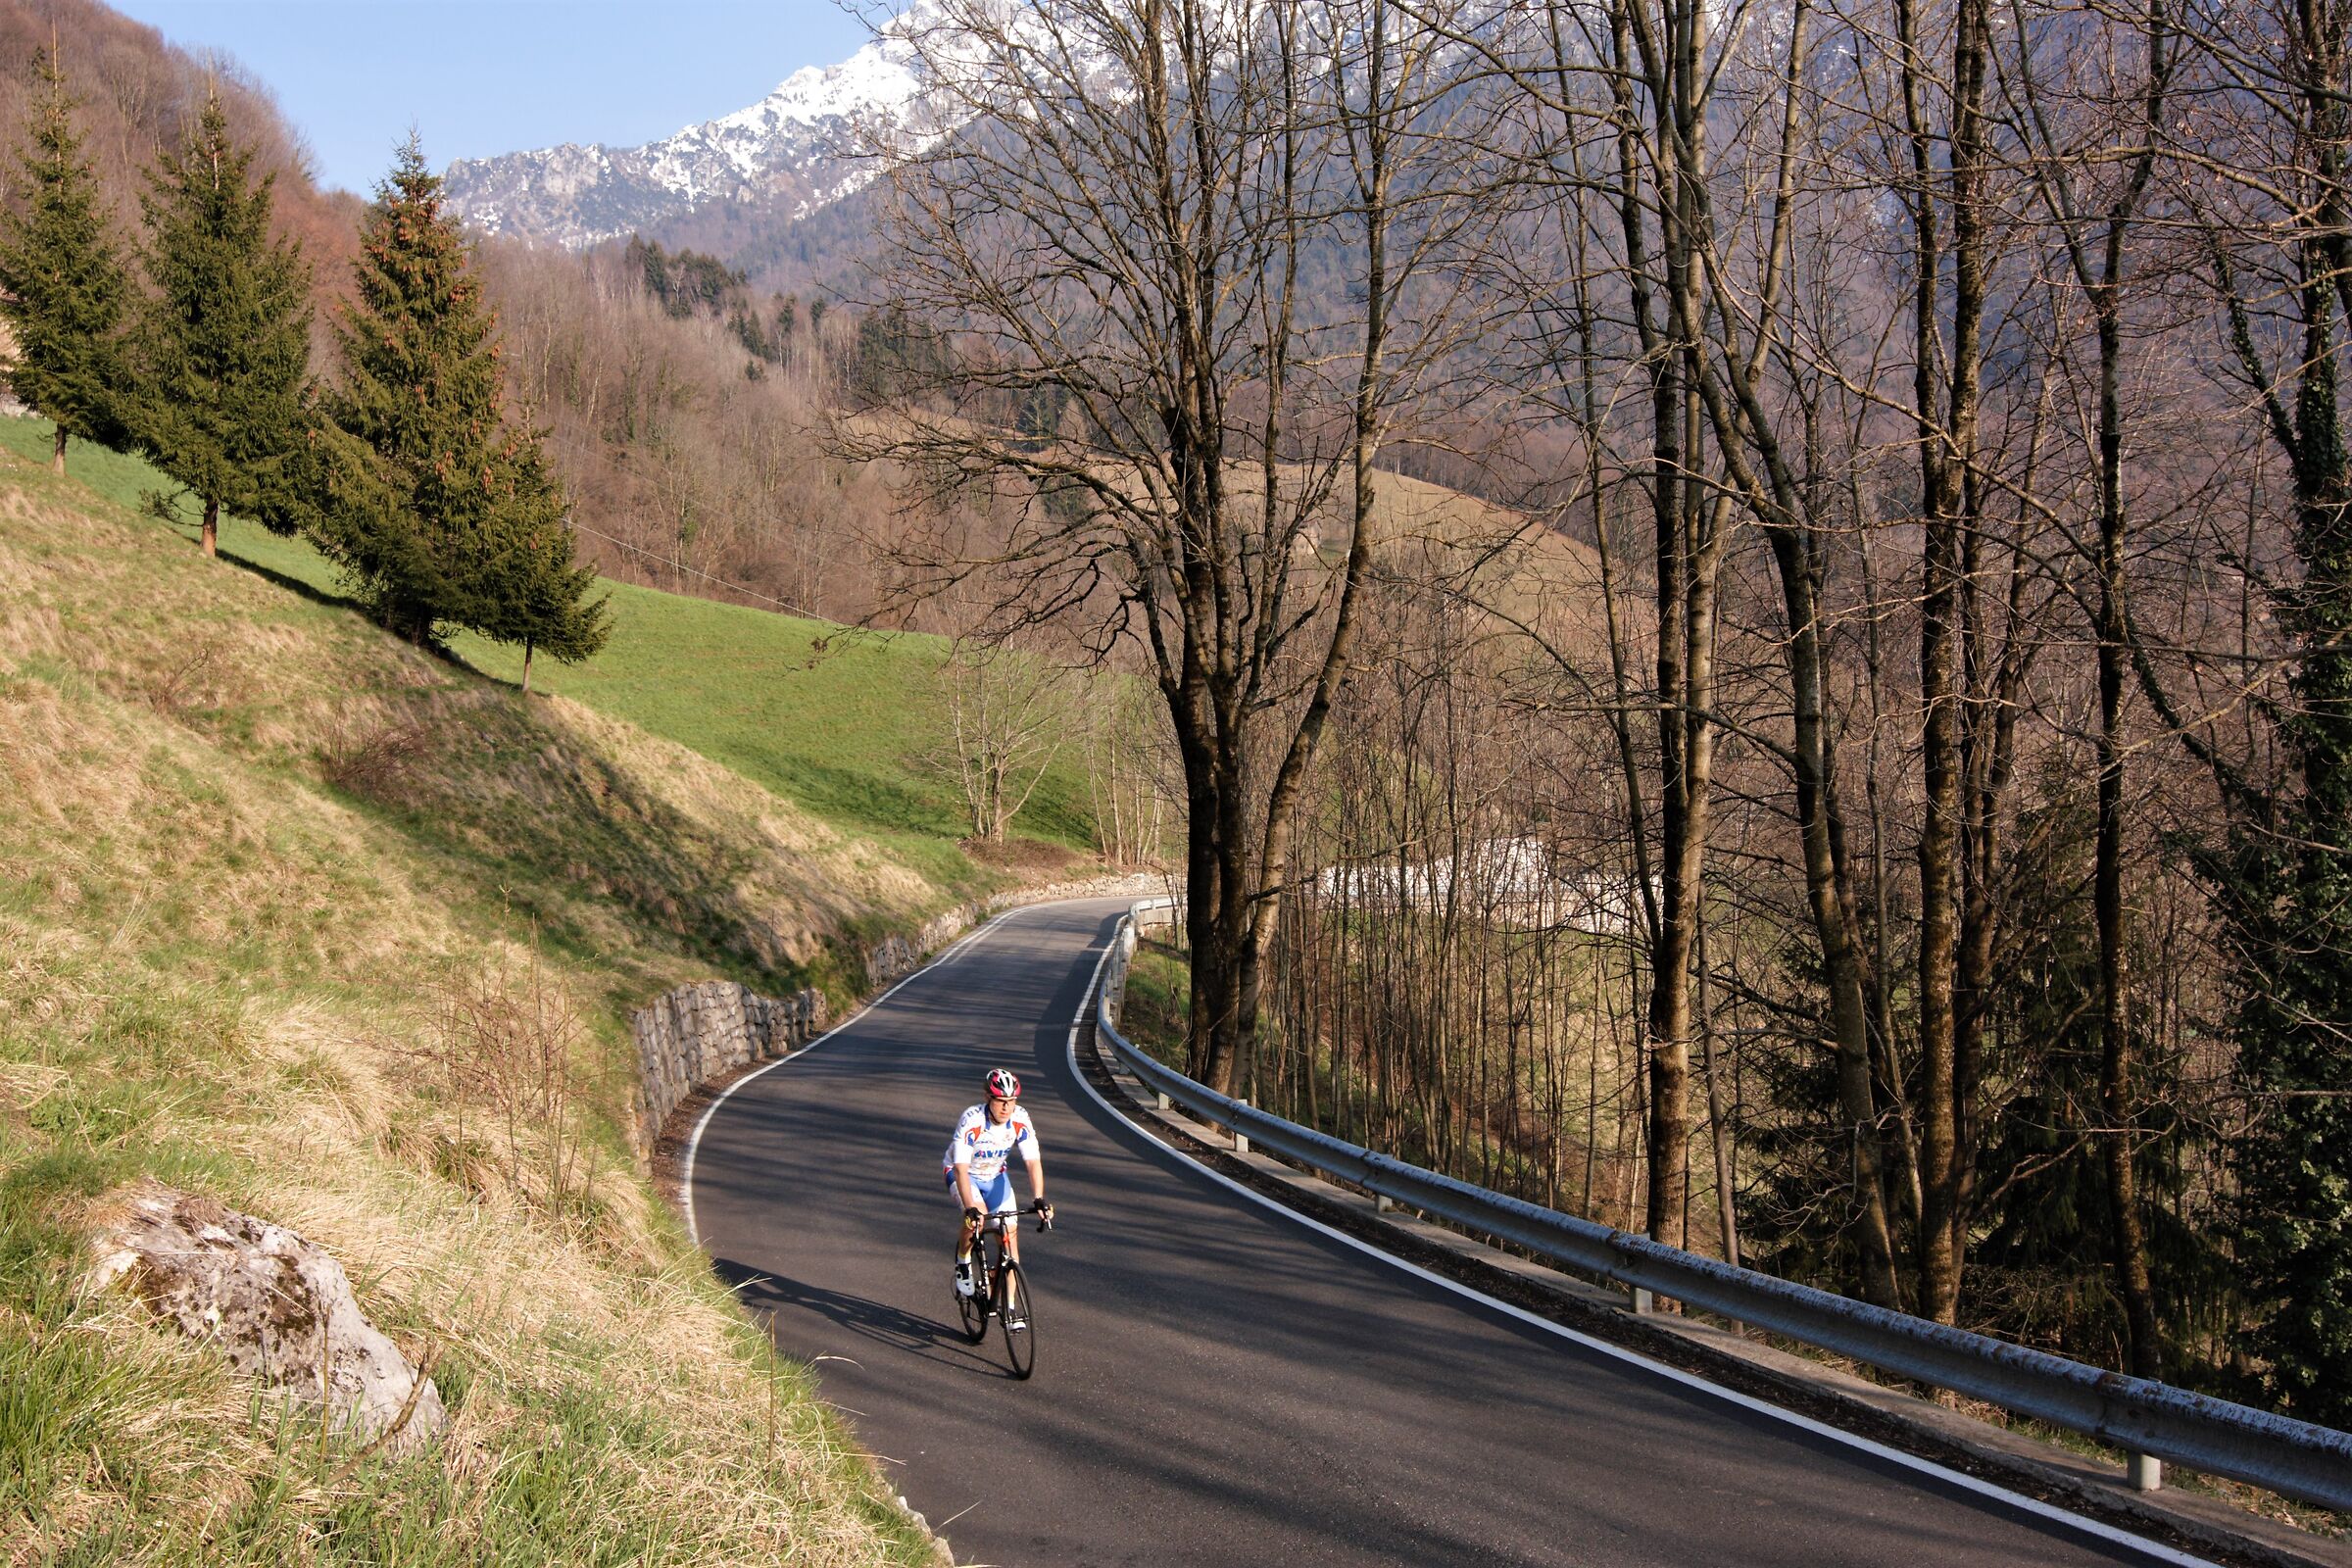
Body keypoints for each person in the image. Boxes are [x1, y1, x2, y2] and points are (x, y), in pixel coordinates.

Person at [944, 1067, 1051, 1298]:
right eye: (1001, 1101)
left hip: (995, 1177)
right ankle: (963, 1261)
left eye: (1011, 1101)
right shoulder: (972, 1119)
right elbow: (961, 1169)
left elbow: (1033, 1162)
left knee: (1011, 1245)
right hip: (963, 1174)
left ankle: (1010, 1310)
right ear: (987, 1098)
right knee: (978, 1220)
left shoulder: (1020, 1118)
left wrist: (1039, 1198)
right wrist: (971, 1206)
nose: (1006, 1108)